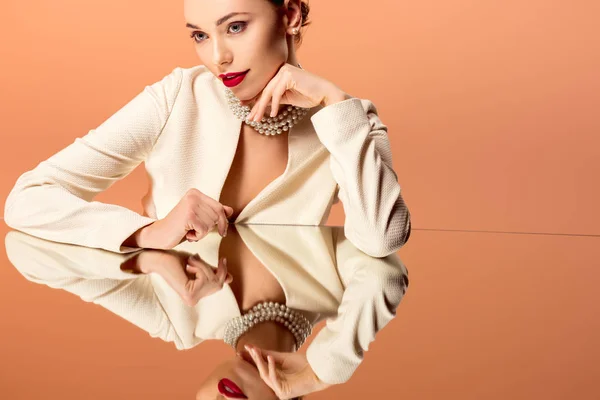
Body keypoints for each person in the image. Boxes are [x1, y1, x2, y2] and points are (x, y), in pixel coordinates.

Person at [3, 0, 411, 258]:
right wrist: (149, 232)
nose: (218, 57)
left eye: (234, 26)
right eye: (200, 35)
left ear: (290, 15)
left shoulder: (346, 122)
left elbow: (382, 239)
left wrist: (333, 102)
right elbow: (27, 199)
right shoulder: (178, 96)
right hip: (172, 319)